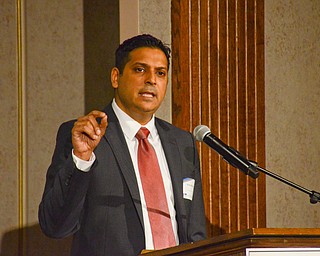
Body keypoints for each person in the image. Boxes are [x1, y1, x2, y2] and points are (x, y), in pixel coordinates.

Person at [38, 34, 206, 256]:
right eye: (140, 69)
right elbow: (55, 226)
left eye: (160, 73)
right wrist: (81, 160)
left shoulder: (182, 143)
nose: (151, 80)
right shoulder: (85, 136)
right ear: (116, 77)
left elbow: (195, 233)